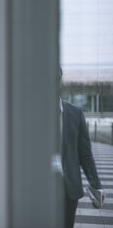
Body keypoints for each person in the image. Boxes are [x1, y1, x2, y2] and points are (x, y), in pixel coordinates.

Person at [60, 68, 103, 228]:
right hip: (40, 188)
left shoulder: (75, 113)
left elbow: (85, 154)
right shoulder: (32, 113)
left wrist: (96, 185)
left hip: (68, 189)